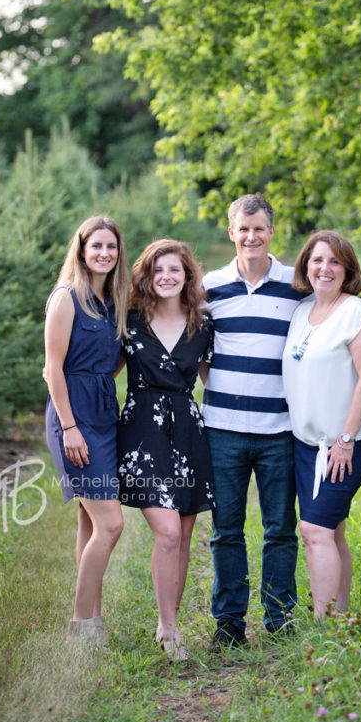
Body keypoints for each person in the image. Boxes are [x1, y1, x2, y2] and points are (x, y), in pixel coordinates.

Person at [202, 194, 306, 648]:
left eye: (259, 228)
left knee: (279, 528)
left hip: (279, 429)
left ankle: (280, 618)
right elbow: (201, 353)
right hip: (222, 427)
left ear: (271, 232)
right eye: (243, 230)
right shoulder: (209, 287)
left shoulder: (295, 286)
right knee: (226, 529)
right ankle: (228, 623)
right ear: (231, 233)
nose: (251, 237)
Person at [116, 239, 215, 660]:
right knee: (169, 532)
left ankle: (168, 620)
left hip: (188, 431)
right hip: (142, 432)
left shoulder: (203, 326)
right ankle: (168, 626)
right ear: (147, 276)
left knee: (185, 533)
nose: (166, 277)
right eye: (158, 270)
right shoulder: (131, 321)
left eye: (175, 270)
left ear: (187, 276)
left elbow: (214, 380)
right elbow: (104, 370)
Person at [282, 231, 361, 618]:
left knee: (315, 531)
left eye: (335, 262)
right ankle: (340, 616)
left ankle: (322, 624)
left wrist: (345, 439)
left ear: (348, 270)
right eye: (318, 260)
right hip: (306, 444)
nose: (325, 268)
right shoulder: (301, 310)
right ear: (306, 265)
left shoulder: (355, 312)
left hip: (346, 444)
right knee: (332, 529)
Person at [44, 215, 129, 643]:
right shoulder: (67, 297)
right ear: (81, 249)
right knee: (112, 524)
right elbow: (52, 368)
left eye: (111, 247)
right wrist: (70, 426)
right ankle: (81, 627)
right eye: (96, 245)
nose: (104, 253)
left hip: (103, 416)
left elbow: (112, 360)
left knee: (90, 520)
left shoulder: (113, 301)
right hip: (73, 419)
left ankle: (93, 615)